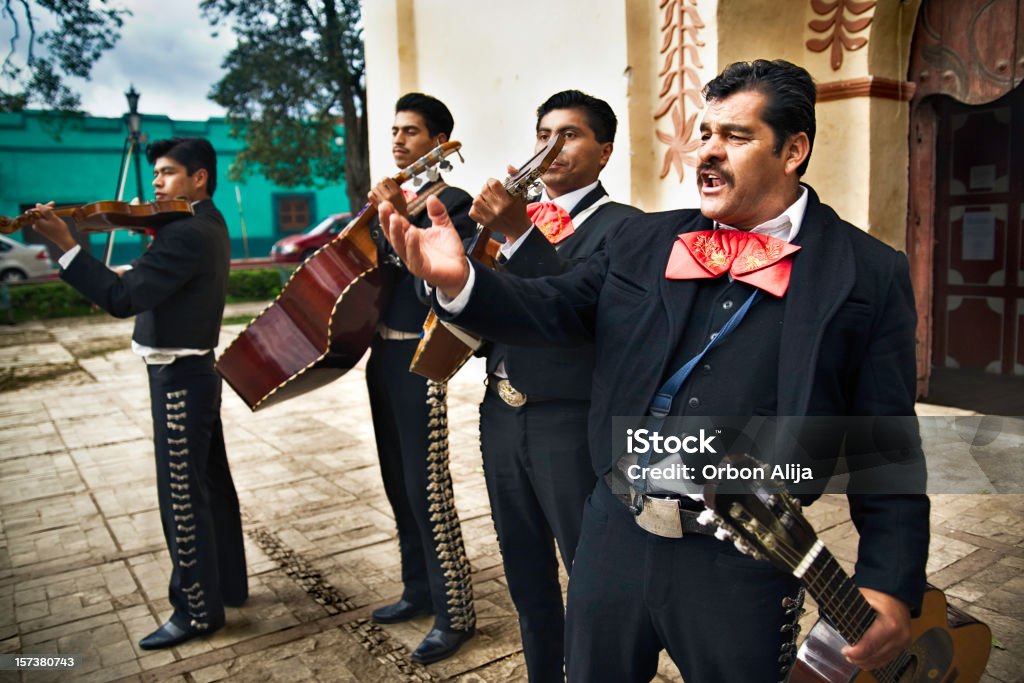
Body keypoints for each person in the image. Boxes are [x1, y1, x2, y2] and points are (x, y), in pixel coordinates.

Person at [380, 60, 930, 681]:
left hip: (745, 553)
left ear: (794, 150)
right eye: (705, 134)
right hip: (615, 528)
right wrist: (463, 283)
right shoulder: (645, 241)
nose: (709, 153)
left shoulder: (867, 273)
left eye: (736, 137)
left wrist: (889, 579)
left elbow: (885, 438)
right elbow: (556, 305)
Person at [29, 137, 248, 650]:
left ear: (199, 178)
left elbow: (120, 298)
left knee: (182, 498)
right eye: (154, 174)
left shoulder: (184, 234)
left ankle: (196, 612)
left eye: (168, 173)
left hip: (178, 379)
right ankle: (228, 587)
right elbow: (151, 281)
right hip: (199, 371)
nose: (155, 184)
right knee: (212, 487)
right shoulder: (206, 222)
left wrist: (67, 246)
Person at [467, 90, 640, 681]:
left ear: (605, 152)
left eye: (569, 135)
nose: (551, 146)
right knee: (524, 569)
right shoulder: (518, 218)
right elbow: (465, 298)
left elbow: (583, 314)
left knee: (587, 570)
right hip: (502, 414)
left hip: (567, 422)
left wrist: (519, 236)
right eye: (543, 133)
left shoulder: (626, 229)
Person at [363, 92, 477, 664]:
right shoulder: (396, 200)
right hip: (379, 357)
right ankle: (417, 588)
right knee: (393, 480)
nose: (398, 140)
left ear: (439, 143)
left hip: (417, 360)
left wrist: (395, 217)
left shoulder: (451, 202)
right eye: (394, 131)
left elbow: (427, 285)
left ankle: (454, 610)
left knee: (425, 486)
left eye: (411, 132)